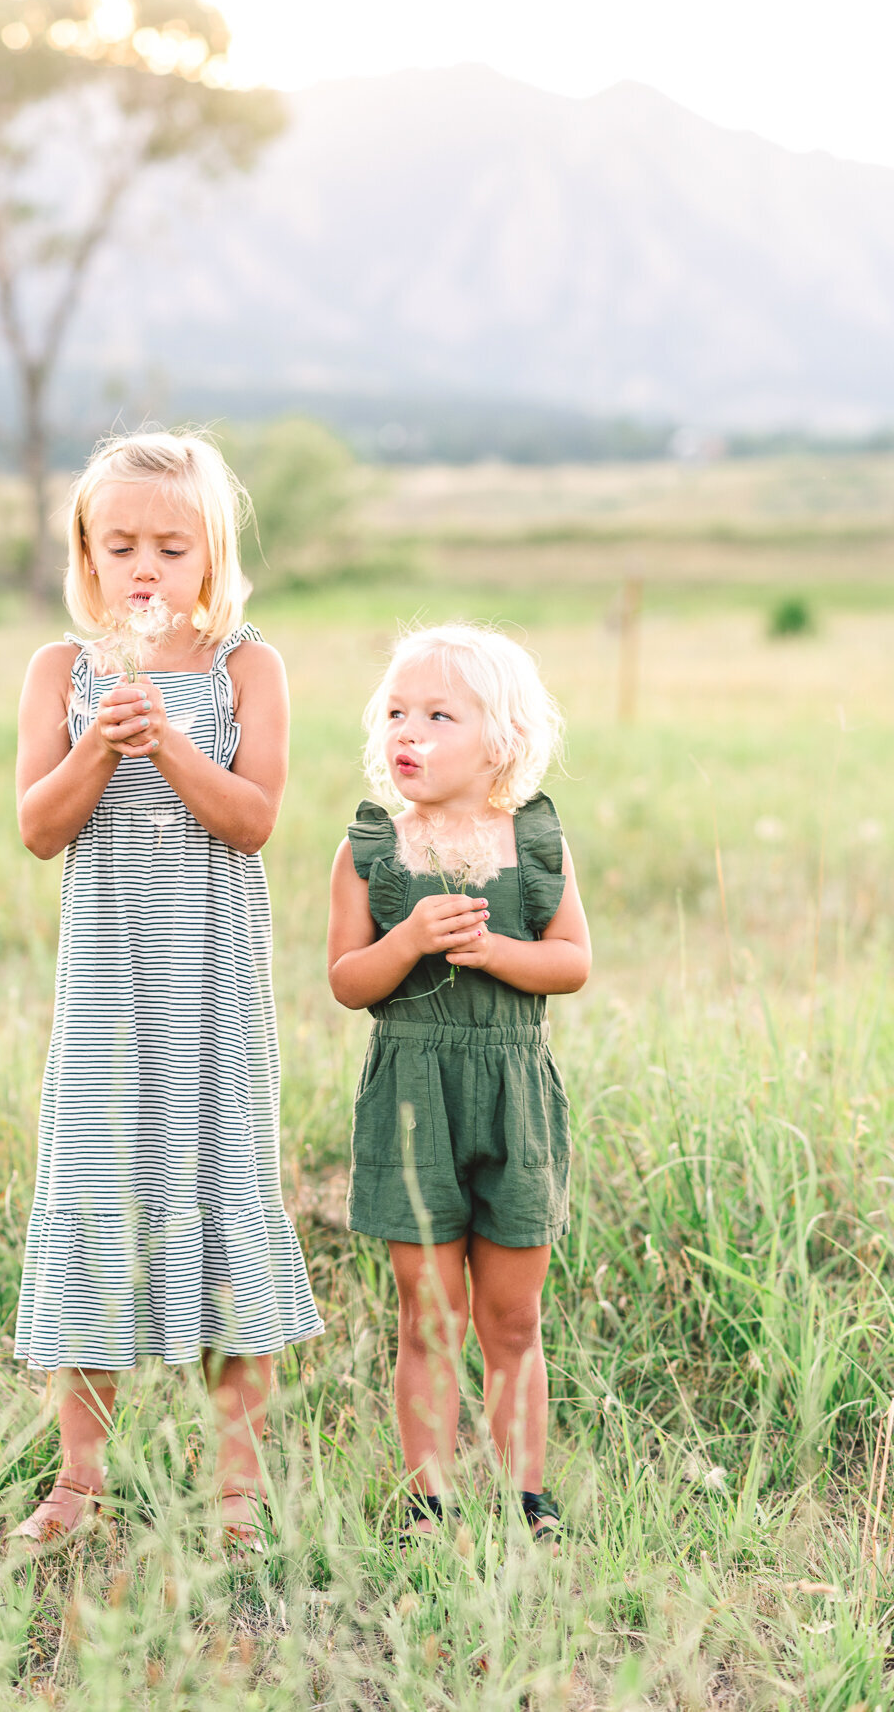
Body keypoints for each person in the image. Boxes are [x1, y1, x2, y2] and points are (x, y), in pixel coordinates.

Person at [11, 430, 322, 1548]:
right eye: (121, 544)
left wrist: (172, 750)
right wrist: (100, 743)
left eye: (171, 546)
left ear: (212, 553)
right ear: (88, 556)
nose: (146, 567)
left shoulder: (248, 666)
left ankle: (238, 1483)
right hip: (107, 985)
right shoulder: (64, 672)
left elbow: (252, 821)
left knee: (221, 1181)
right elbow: (40, 830)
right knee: (97, 1187)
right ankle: (79, 1479)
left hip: (209, 987)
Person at [326, 623, 590, 1550]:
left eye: (440, 715)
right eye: (398, 712)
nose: (411, 731)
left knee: (512, 1317)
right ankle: (428, 1502)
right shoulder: (371, 848)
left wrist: (494, 951)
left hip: (512, 1095)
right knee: (427, 1315)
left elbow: (573, 962)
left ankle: (528, 1496)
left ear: (502, 740)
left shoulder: (535, 839)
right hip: (411, 1100)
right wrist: (408, 942)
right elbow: (348, 981)